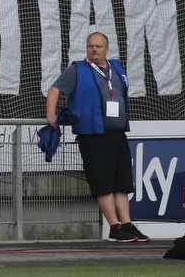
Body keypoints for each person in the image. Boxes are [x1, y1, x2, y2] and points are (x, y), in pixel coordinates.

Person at [46, 32, 149, 243]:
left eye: (98, 46)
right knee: (103, 182)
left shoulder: (115, 68)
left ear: (107, 49)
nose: (94, 49)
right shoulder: (77, 69)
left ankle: (127, 224)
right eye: (91, 46)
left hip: (116, 133)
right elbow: (55, 89)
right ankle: (115, 226)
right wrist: (51, 113)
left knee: (122, 182)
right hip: (93, 134)